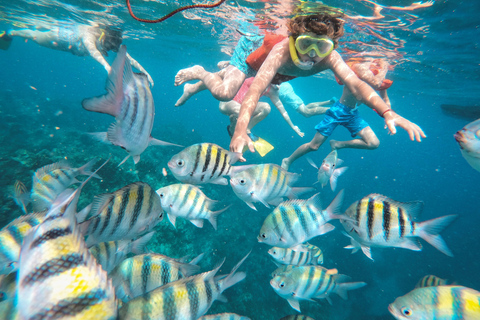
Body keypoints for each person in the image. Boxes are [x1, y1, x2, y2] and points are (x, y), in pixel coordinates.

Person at [174, 11, 425, 161]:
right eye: (306, 45)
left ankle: (221, 71)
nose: (312, 55)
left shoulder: (330, 57)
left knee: (231, 85)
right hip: (252, 55)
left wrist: (388, 112)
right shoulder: (281, 52)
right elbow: (254, 92)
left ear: (331, 47)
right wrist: (239, 131)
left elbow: (356, 84)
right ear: (294, 40)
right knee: (225, 93)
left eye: (321, 47)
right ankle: (200, 72)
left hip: (280, 75)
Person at [281, 57, 395, 170]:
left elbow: (385, 99)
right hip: (338, 111)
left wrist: (388, 118)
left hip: (353, 114)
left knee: (373, 143)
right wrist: (384, 67)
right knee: (314, 146)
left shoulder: (378, 75)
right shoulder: (361, 66)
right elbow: (374, 82)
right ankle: (288, 160)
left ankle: (338, 144)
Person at [1, 22, 154, 86]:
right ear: (103, 35)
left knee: (34, 37)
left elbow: (127, 56)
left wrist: (145, 72)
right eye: (107, 45)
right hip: (59, 38)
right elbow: (93, 52)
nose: (109, 49)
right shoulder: (89, 35)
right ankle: (10, 32)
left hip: (71, 48)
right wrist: (108, 68)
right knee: (34, 36)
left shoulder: (111, 41)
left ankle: (14, 32)